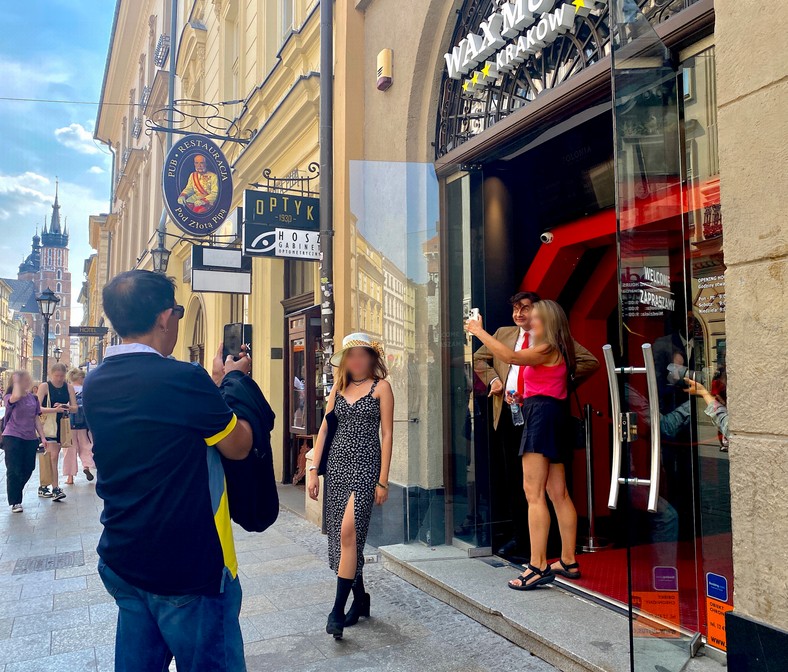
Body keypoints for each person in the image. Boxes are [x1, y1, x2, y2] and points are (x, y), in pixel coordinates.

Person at [82, 270, 254, 672]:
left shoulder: (95, 382)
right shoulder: (182, 378)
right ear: (164, 317)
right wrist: (234, 382)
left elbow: (162, 425)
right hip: (186, 566)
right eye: (178, 310)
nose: (178, 318)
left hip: (124, 555)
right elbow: (239, 445)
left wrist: (211, 382)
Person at [473, 291, 599, 559]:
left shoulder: (549, 344)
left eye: (532, 313)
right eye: (518, 309)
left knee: (534, 492)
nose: (526, 317)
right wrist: (511, 390)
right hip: (531, 410)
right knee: (555, 492)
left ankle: (537, 562)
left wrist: (478, 331)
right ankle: (566, 559)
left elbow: (512, 358)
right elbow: (525, 374)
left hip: (540, 417)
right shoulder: (538, 342)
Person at [307, 333, 394, 640]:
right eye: (351, 355)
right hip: (338, 467)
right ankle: (361, 597)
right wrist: (314, 469)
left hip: (366, 468)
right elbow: (325, 428)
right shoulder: (339, 390)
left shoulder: (381, 387)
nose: (357, 360)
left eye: (362, 355)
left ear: (372, 358)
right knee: (343, 538)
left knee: (348, 532)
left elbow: (386, 435)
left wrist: (383, 480)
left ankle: (336, 612)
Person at [2, 371, 48, 512]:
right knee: (14, 469)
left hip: (30, 438)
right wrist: (16, 382)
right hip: (12, 436)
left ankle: (15, 490)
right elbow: (15, 396)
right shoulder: (9, 397)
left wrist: (42, 436)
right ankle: (16, 501)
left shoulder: (33, 398)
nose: (28, 382)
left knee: (29, 468)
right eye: (25, 380)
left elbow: (35, 419)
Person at [37, 362, 77, 502]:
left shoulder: (69, 387)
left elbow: (75, 408)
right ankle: (55, 488)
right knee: (53, 456)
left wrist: (65, 406)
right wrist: (54, 410)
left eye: (61, 376)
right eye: (56, 376)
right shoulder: (45, 386)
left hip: (61, 424)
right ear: (51, 375)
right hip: (48, 425)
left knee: (52, 456)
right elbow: (37, 407)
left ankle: (43, 485)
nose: (59, 378)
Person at [63, 368, 95, 484]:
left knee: (69, 451)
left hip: (69, 424)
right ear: (81, 378)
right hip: (84, 425)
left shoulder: (66, 390)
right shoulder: (87, 390)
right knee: (86, 446)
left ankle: (70, 477)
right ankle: (86, 467)